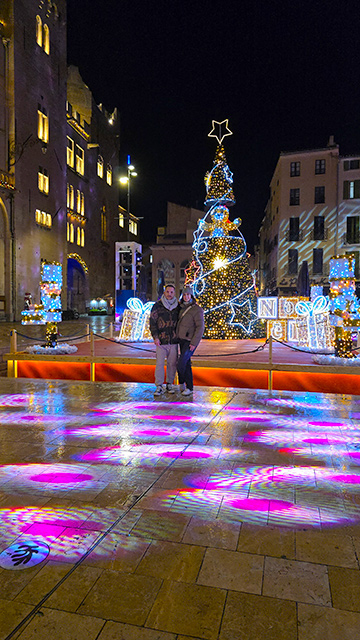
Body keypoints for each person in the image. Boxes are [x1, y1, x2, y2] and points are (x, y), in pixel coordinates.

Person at [150, 284, 179, 396]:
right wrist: (155, 337)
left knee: (172, 364)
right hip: (161, 341)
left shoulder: (178, 306)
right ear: (164, 292)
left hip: (174, 341)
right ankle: (159, 386)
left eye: (171, 292)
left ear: (174, 293)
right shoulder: (157, 306)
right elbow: (152, 322)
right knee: (160, 364)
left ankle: (169, 383)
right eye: (167, 292)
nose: (169, 294)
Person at [176, 286, 204, 396]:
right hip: (181, 339)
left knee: (181, 363)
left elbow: (200, 327)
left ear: (191, 296)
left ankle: (184, 383)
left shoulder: (197, 309)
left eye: (188, 295)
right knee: (186, 363)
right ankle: (188, 386)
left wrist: (194, 342)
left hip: (189, 341)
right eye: (184, 295)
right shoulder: (180, 308)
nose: (186, 297)